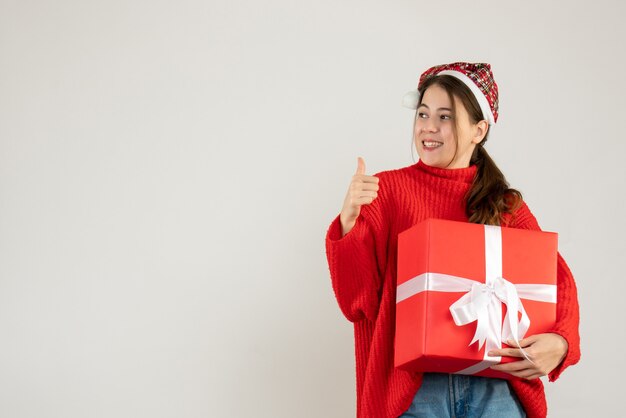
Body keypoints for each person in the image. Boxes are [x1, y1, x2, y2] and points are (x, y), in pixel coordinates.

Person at [324, 62, 580, 418]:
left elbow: (557, 279)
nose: (429, 127)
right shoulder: (388, 193)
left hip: (498, 388)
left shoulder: (505, 205)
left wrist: (562, 341)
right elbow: (357, 302)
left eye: (445, 117)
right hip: (412, 391)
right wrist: (350, 222)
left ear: (479, 129)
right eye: (423, 113)